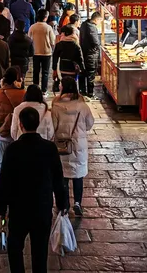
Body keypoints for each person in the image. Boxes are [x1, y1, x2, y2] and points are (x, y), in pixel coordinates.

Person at [0, 107, 67, 273]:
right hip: (42, 208)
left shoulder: (13, 149)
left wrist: (2, 207)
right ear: (38, 123)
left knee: (15, 248)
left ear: (20, 125)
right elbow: (58, 179)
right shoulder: (49, 148)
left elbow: (5, 180)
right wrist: (62, 203)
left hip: (18, 209)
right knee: (40, 252)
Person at [51, 77, 94, 216]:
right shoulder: (82, 106)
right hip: (78, 145)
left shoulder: (56, 106)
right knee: (78, 175)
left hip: (62, 145)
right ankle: (77, 203)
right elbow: (89, 123)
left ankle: (65, 204)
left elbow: (53, 127)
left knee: (63, 176)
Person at [0, 68, 26, 170]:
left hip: (2, 133)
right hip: (18, 134)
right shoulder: (23, 94)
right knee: (18, 164)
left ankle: (1, 184)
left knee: (2, 162)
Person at [29, 9, 56, 92]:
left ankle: (35, 89)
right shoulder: (48, 28)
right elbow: (52, 41)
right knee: (45, 72)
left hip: (35, 52)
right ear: (45, 17)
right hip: (46, 53)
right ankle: (44, 90)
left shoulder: (32, 27)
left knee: (36, 72)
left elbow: (29, 40)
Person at [52, 25, 83, 92]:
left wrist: (54, 69)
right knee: (73, 85)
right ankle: (72, 97)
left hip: (63, 68)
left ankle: (64, 96)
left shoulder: (59, 44)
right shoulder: (76, 45)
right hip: (73, 69)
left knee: (64, 84)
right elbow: (80, 59)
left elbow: (55, 58)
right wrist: (82, 69)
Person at [79, 11, 102, 97]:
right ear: (97, 19)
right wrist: (98, 47)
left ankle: (82, 91)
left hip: (84, 52)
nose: (100, 23)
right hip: (91, 54)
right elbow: (95, 42)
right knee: (90, 74)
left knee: (83, 73)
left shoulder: (84, 24)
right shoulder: (92, 27)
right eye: (100, 21)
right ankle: (90, 93)